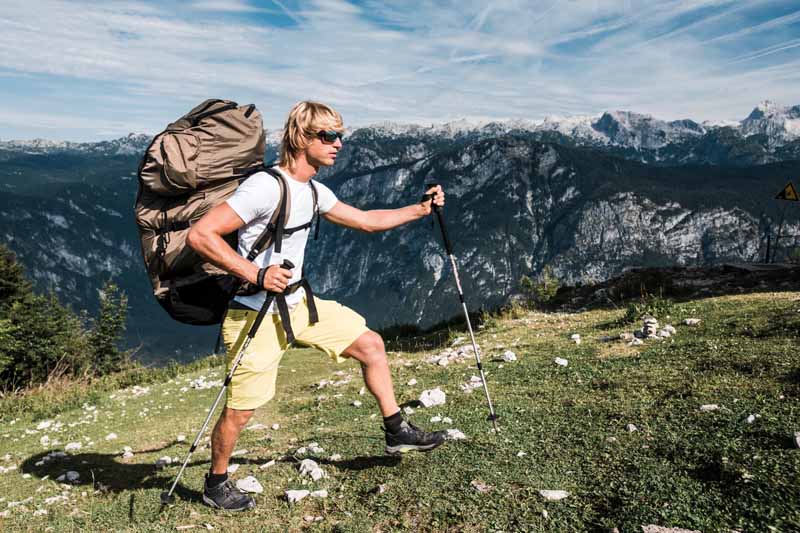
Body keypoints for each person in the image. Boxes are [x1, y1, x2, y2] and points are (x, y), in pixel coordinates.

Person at [186, 101, 448, 511]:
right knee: (241, 410)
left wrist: (420, 210)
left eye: (339, 135)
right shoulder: (265, 187)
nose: (338, 144)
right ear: (300, 138)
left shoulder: (312, 190)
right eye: (328, 136)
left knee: (371, 345)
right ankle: (216, 483)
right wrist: (255, 274)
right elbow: (201, 236)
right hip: (255, 314)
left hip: (299, 305)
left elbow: (364, 220)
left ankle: (396, 430)